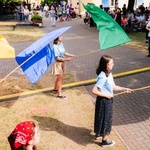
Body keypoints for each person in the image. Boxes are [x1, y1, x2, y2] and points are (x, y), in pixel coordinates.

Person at [92, 55, 133, 147]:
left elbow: (113, 86)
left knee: (101, 118)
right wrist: (107, 95)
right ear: (106, 65)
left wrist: (124, 89)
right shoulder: (103, 76)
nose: (113, 64)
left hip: (106, 99)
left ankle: (99, 133)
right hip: (104, 101)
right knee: (106, 119)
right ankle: (104, 141)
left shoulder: (109, 73)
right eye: (111, 63)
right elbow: (94, 91)